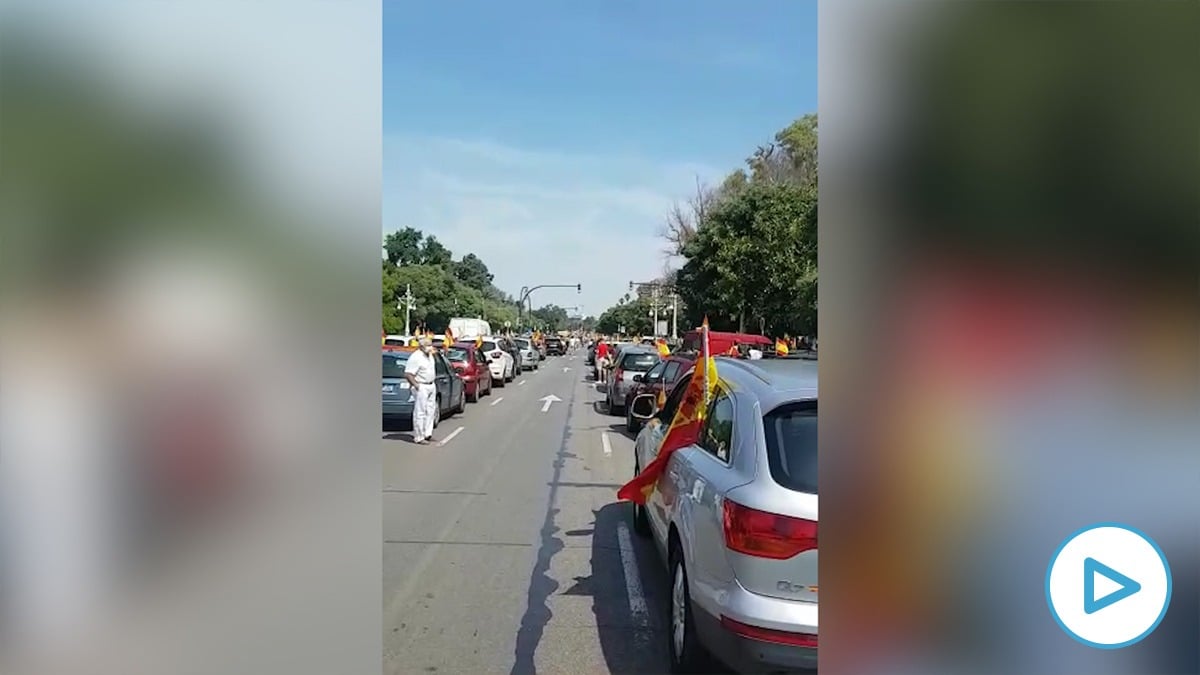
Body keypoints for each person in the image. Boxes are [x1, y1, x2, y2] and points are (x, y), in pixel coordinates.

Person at [403, 337, 438, 444]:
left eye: (430, 344)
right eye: (427, 345)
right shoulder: (416, 357)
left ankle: (427, 433)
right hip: (421, 386)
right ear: (421, 346)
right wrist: (417, 386)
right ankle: (419, 436)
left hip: (431, 385)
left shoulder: (430, 355)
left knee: (430, 410)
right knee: (420, 412)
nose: (429, 347)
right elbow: (408, 374)